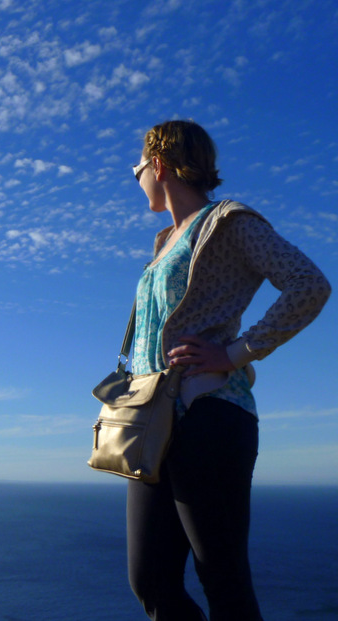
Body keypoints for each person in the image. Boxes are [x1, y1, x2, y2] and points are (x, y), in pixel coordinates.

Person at [125, 120, 331, 621]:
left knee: (222, 577)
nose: (136, 179)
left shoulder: (228, 222)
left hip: (210, 414)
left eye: (138, 169)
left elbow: (309, 284)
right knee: (150, 580)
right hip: (152, 421)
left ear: (159, 164)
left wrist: (236, 352)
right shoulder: (165, 242)